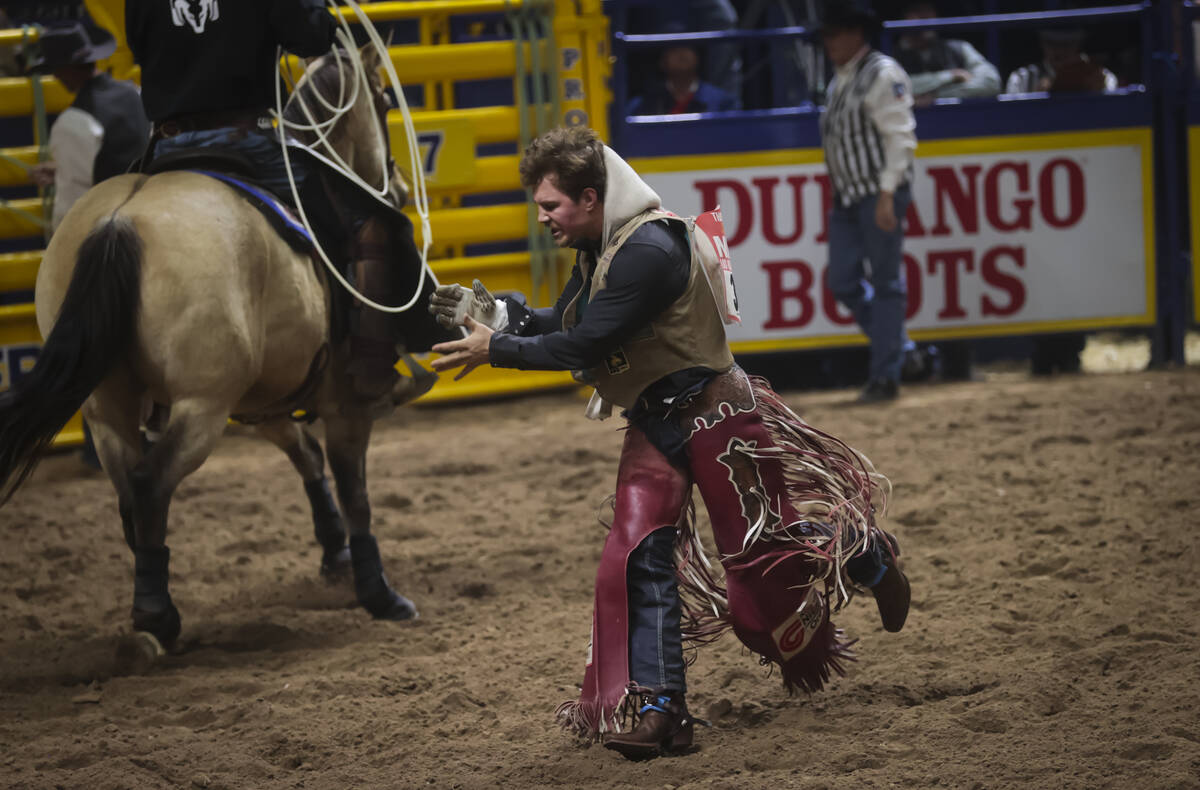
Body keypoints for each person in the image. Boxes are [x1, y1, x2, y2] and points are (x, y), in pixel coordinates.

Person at [427, 126, 910, 760]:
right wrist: (497, 315)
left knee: (763, 586)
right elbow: (570, 322)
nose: (542, 217)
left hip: (716, 418)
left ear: (592, 197)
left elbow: (585, 344)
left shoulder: (649, 250)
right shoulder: (604, 248)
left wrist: (500, 349)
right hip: (659, 421)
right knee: (633, 560)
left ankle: (865, 553)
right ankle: (661, 712)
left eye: (551, 205)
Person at [125, 0, 442, 404]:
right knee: (369, 224)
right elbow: (310, 36)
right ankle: (373, 368)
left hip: (166, 147)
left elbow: (139, 46)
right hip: (245, 142)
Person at [818, 1, 917, 404]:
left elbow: (900, 137)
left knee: (886, 282)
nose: (828, 42)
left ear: (856, 34)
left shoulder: (882, 73)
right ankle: (902, 350)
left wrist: (888, 193)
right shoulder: (842, 78)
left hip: (878, 192)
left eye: (835, 33)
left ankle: (885, 376)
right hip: (850, 195)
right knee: (841, 280)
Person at [25, 20, 150, 231]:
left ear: (65, 68)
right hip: (150, 204)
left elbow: (72, 203)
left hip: (112, 226)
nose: (55, 76)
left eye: (56, 69)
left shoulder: (75, 120)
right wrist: (61, 170)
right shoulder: (136, 94)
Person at [893, 0, 1000, 105]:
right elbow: (896, 90)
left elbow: (991, 83)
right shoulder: (891, 57)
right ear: (904, 16)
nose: (925, 16)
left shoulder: (959, 48)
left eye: (929, 10)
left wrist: (937, 96)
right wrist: (949, 76)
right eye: (917, 11)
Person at [627, 37, 738, 115]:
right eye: (674, 49)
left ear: (698, 57)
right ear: (662, 62)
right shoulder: (641, 106)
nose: (681, 53)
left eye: (687, 47)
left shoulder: (723, 103)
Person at [1005, 27, 1118, 94]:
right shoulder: (1021, 78)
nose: (1059, 50)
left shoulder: (1104, 78)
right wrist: (1037, 102)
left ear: (1078, 44)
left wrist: (1099, 96)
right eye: (1051, 43)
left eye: (1066, 44)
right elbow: (1013, 120)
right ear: (1042, 43)